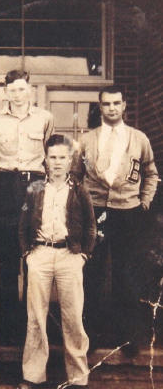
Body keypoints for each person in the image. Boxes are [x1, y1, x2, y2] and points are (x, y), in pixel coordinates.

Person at [73, 85, 159, 356]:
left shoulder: (138, 138)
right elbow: (75, 176)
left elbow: (151, 172)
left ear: (124, 106)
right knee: (92, 273)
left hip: (128, 212)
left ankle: (128, 337)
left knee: (127, 273)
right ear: (100, 107)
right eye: (106, 104)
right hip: (96, 211)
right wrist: (81, 207)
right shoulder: (87, 140)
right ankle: (92, 336)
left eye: (116, 103)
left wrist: (144, 200)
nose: (111, 108)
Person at [18, 134, 96, 389]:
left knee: (73, 317)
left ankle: (78, 377)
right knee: (35, 317)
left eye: (63, 157)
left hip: (68, 255)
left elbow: (91, 225)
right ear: (46, 160)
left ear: (70, 159)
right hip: (40, 253)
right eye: (53, 157)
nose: (58, 162)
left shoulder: (79, 189)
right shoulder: (35, 188)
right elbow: (23, 224)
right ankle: (32, 375)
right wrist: (28, 253)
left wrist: (83, 255)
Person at [0, 70, 54, 344]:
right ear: (6, 92)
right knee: (6, 257)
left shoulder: (45, 118)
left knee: (34, 254)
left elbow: (50, 158)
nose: (17, 94)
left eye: (22, 89)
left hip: (35, 184)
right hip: (5, 185)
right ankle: (6, 325)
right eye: (12, 90)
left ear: (30, 91)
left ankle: (32, 325)